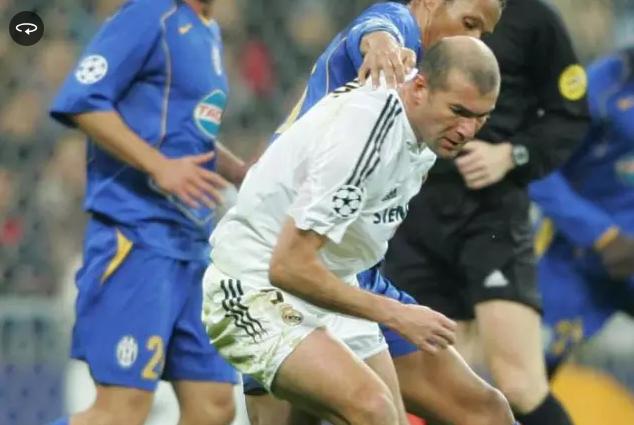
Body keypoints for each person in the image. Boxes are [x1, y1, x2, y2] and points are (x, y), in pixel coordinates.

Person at [202, 36, 503, 425]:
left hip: (330, 288)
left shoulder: (426, 133)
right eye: (458, 111)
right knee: (373, 409)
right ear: (419, 87)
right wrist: (397, 314)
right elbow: (287, 266)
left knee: (418, 416)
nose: (467, 130)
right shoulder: (365, 135)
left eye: (480, 117)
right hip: (253, 285)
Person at [382, 0, 589, 424]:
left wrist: (512, 155)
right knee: (427, 388)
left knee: (519, 385)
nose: (476, 35)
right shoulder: (411, 13)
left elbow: (569, 116)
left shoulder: (535, 20)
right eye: (471, 24)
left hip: (491, 213)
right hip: (412, 212)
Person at [46, 1, 247, 425]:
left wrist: (239, 171)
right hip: (137, 236)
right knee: (120, 410)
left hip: (190, 244)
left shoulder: (207, 29)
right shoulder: (150, 13)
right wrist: (159, 166)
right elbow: (84, 100)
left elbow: (184, 131)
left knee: (214, 406)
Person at [530, 45, 634, 374]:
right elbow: (541, 168)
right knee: (528, 377)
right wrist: (601, 234)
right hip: (574, 256)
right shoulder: (598, 88)